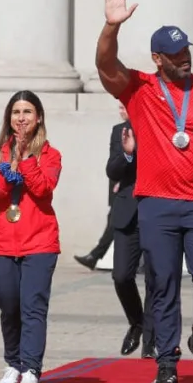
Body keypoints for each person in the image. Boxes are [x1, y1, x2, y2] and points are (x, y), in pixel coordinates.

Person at [95, 0, 193, 383]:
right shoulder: (139, 88)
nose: (184, 59)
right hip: (155, 202)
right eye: (175, 55)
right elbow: (105, 65)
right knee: (163, 281)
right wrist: (111, 27)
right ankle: (167, 362)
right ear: (158, 58)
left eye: (186, 51)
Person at [0, 90, 62, 383]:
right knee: (9, 304)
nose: (21, 118)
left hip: (39, 241)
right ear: (9, 118)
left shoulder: (50, 155)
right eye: (16, 112)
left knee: (33, 307)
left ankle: (30, 369)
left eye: (28, 112)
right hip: (3, 241)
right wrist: (8, 169)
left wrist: (26, 159)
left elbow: (43, 189)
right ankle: (12, 363)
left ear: (38, 117)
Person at [106, 117, 155, 358]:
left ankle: (151, 341)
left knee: (156, 279)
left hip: (158, 211)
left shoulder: (164, 125)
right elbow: (112, 171)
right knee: (122, 276)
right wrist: (128, 154)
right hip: (128, 212)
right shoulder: (121, 130)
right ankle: (137, 322)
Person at [75, 102, 130, 269]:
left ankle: (95, 255)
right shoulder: (117, 130)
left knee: (117, 222)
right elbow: (113, 161)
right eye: (119, 108)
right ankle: (95, 255)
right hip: (118, 185)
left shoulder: (141, 128)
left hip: (130, 187)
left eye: (123, 108)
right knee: (114, 220)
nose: (121, 111)